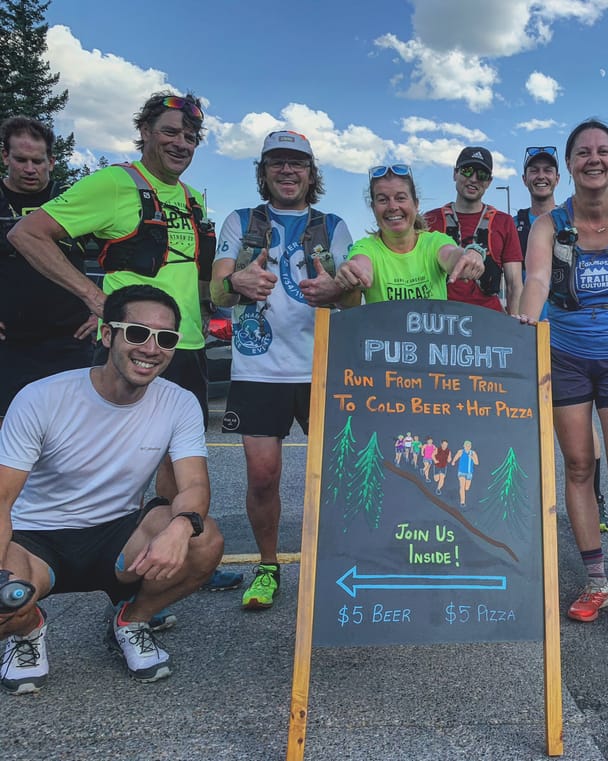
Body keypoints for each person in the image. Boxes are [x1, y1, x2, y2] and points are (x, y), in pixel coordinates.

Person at [8, 92, 240, 604]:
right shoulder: (116, 183)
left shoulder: (192, 199)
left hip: (187, 343)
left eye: (190, 136)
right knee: (113, 465)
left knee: (177, 467)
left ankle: (168, 556)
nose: (181, 143)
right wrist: (94, 298)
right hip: (132, 346)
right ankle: (102, 573)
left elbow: (198, 277)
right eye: (170, 131)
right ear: (145, 132)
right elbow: (29, 233)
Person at [0, 285, 224, 693]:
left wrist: (179, 528)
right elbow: (2, 499)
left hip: (117, 536)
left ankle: (131, 620)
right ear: (107, 335)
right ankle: (27, 629)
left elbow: (193, 485)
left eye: (165, 338)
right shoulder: (41, 398)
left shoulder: (179, 402)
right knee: (4, 602)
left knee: (203, 537)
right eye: (137, 333)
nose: (151, 349)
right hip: (34, 539)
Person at [518, 119, 608, 648]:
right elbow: (538, 280)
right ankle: (597, 583)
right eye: (583, 152)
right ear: (569, 164)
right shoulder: (549, 225)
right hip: (566, 359)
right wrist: (522, 327)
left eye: (603, 151)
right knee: (579, 466)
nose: (593, 160)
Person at [210, 131, 352, 611]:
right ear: (263, 170)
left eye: (298, 163)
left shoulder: (332, 225)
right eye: (277, 162)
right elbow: (217, 291)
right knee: (263, 477)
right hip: (258, 371)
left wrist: (337, 290)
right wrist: (237, 280)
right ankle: (268, 566)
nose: (288, 171)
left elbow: (355, 299)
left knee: (336, 476)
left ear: (312, 173)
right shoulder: (241, 220)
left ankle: (336, 562)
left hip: (322, 369)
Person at [514, 145, 608, 533]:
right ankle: (525, 508)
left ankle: (595, 501)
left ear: (559, 177)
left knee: (582, 427)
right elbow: (515, 280)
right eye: (533, 170)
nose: (541, 176)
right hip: (529, 333)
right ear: (524, 178)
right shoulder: (516, 224)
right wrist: (516, 327)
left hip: (566, 337)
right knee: (526, 425)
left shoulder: (572, 218)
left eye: (547, 170)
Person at [0, 116, 95, 424]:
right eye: (21, 160)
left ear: (51, 162)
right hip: (9, 343)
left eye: (38, 161)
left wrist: (104, 310)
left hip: (70, 340)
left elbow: (119, 255)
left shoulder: (70, 200)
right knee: (9, 433)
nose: (30, 168)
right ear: (5, 157)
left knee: (69, 432)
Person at [334, 164, 484, 304]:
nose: (393, 207)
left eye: (400, 198)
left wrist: (470, 255)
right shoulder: (365, 247)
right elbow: (360, 265)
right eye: (383, 200)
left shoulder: (435, 242)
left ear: (416, 204)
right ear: (373, 208)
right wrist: (354, 274)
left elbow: (451, 256)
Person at [424, 147, 523, 314]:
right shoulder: (430, 220)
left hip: (488, 319)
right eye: (467, 171)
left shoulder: (503, 222)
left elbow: (514, 284)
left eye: (482, 174)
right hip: (441, 319)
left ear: (489, 181)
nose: (474, 179)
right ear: (455, 173)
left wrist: (514, 323)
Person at [451, 440, 479, 508]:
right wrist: (453, 461)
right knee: (462, 487)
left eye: (469, 446)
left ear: (470, 446)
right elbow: (456, 457)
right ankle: (462, 502)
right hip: (461, 472)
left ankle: (462, 494)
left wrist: (472, 457)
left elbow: (476, 463)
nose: (467, 447)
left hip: (469, 473)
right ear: (464, 446)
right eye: (466, 446)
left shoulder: (473, 453)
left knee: (466, 488)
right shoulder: (461, 451)